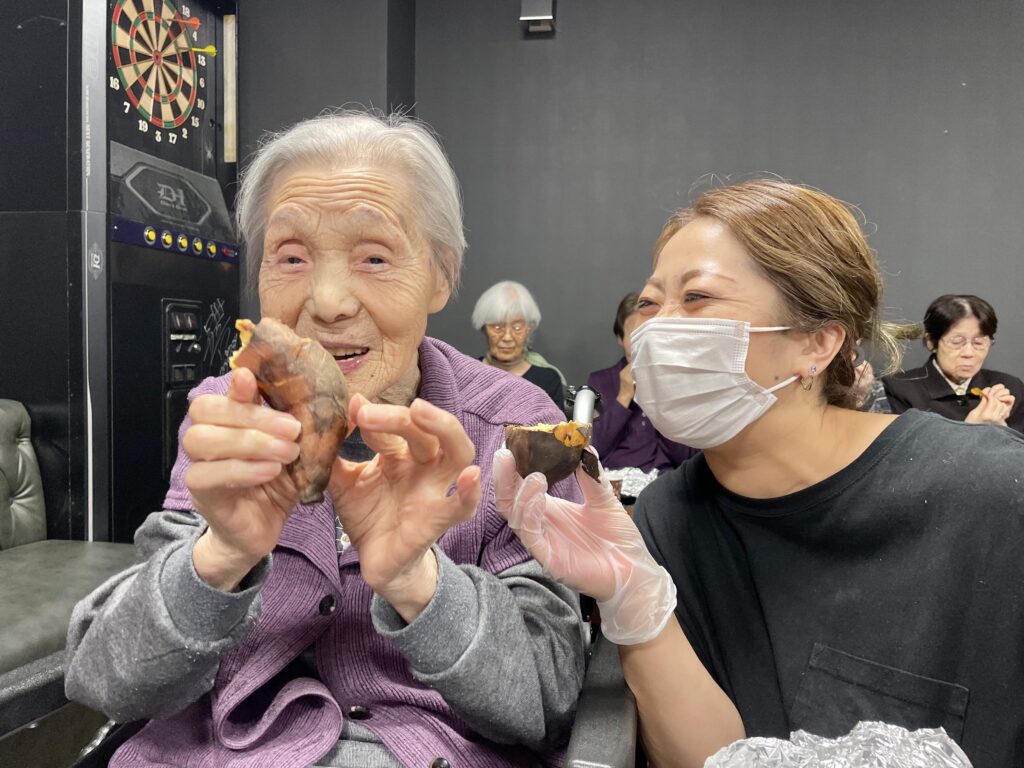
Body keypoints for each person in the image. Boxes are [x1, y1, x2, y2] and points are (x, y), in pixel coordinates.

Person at [64, 111, 585, 768]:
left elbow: (548, 697)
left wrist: (417, 578)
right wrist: (219, 557)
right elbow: (106, 682)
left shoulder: (518, 426)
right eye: (291, 257)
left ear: (442, 275)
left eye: (374, 257)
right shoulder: (229, 414)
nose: (329, 301)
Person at [492, 180, 1024, 767]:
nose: (658, 331)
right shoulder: (669, 517)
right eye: (648, 304)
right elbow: (719, 756)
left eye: (697, 297)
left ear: (816, 343)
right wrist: (631, 603)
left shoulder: (992, 492)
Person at [586, 290, 697, 471]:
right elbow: (593, 450)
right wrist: (623, 396)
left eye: (648, 334)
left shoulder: (678, 380)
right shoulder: (600, 381)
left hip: (666, 478)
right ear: (620, 338)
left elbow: (687, 457)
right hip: (616, 481)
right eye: (634, 335)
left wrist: (659, 393)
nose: (642, 343)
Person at [883, 294, 1023, 432]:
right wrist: (971, 429)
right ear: (931, 342)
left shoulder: (1010, 387)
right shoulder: (899, 388)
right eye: (957, 342)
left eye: (979, 342)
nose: (968, 353)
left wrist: (1004, 429)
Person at [472, 281, 565, 409]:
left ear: (529, 328)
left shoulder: (547, 380)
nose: (507, 337)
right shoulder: (469, 375)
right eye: (497, 327)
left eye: (517, 327)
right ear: (484, 329)